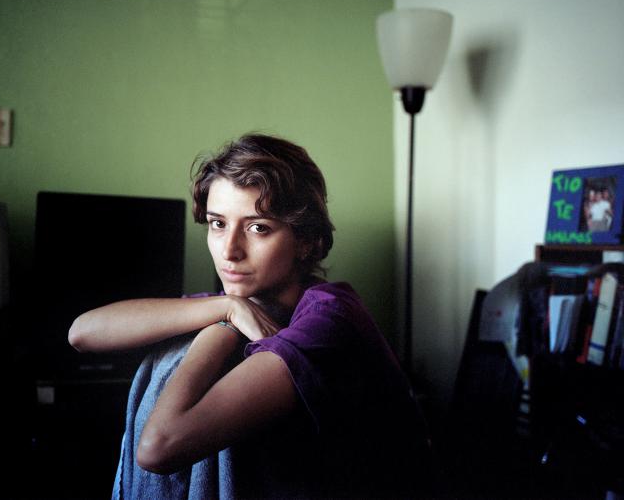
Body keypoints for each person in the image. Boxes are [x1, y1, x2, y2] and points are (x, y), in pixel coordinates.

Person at [68, 134, 433, 499]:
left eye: (258, 227)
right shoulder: (242, 301)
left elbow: (158, 447)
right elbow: (82, 333)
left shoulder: (330, 318)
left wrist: (221, 328)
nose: (229, 251)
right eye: (217, 224)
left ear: (306, 240)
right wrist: (225, 307)